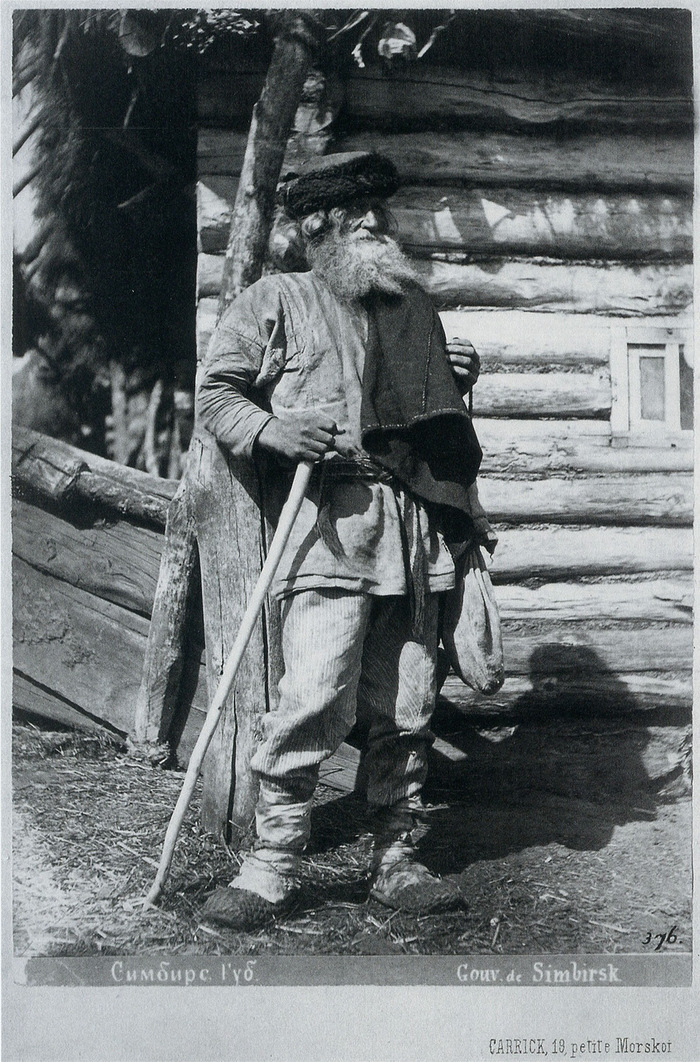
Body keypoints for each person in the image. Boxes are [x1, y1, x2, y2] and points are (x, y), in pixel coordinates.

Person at [196, 151, 488, 930]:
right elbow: (216, 394)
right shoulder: (278, 299)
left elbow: (430, 422)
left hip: (414, 536)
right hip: (330, 529)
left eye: (380, 216)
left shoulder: (407, 306)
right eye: (358, 216)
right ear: (316, 226)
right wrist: (275, 428)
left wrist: (457, 378)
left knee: (409, 703)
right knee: (313, 696)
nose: (375, 227)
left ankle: (396, 858)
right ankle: (273, 865)